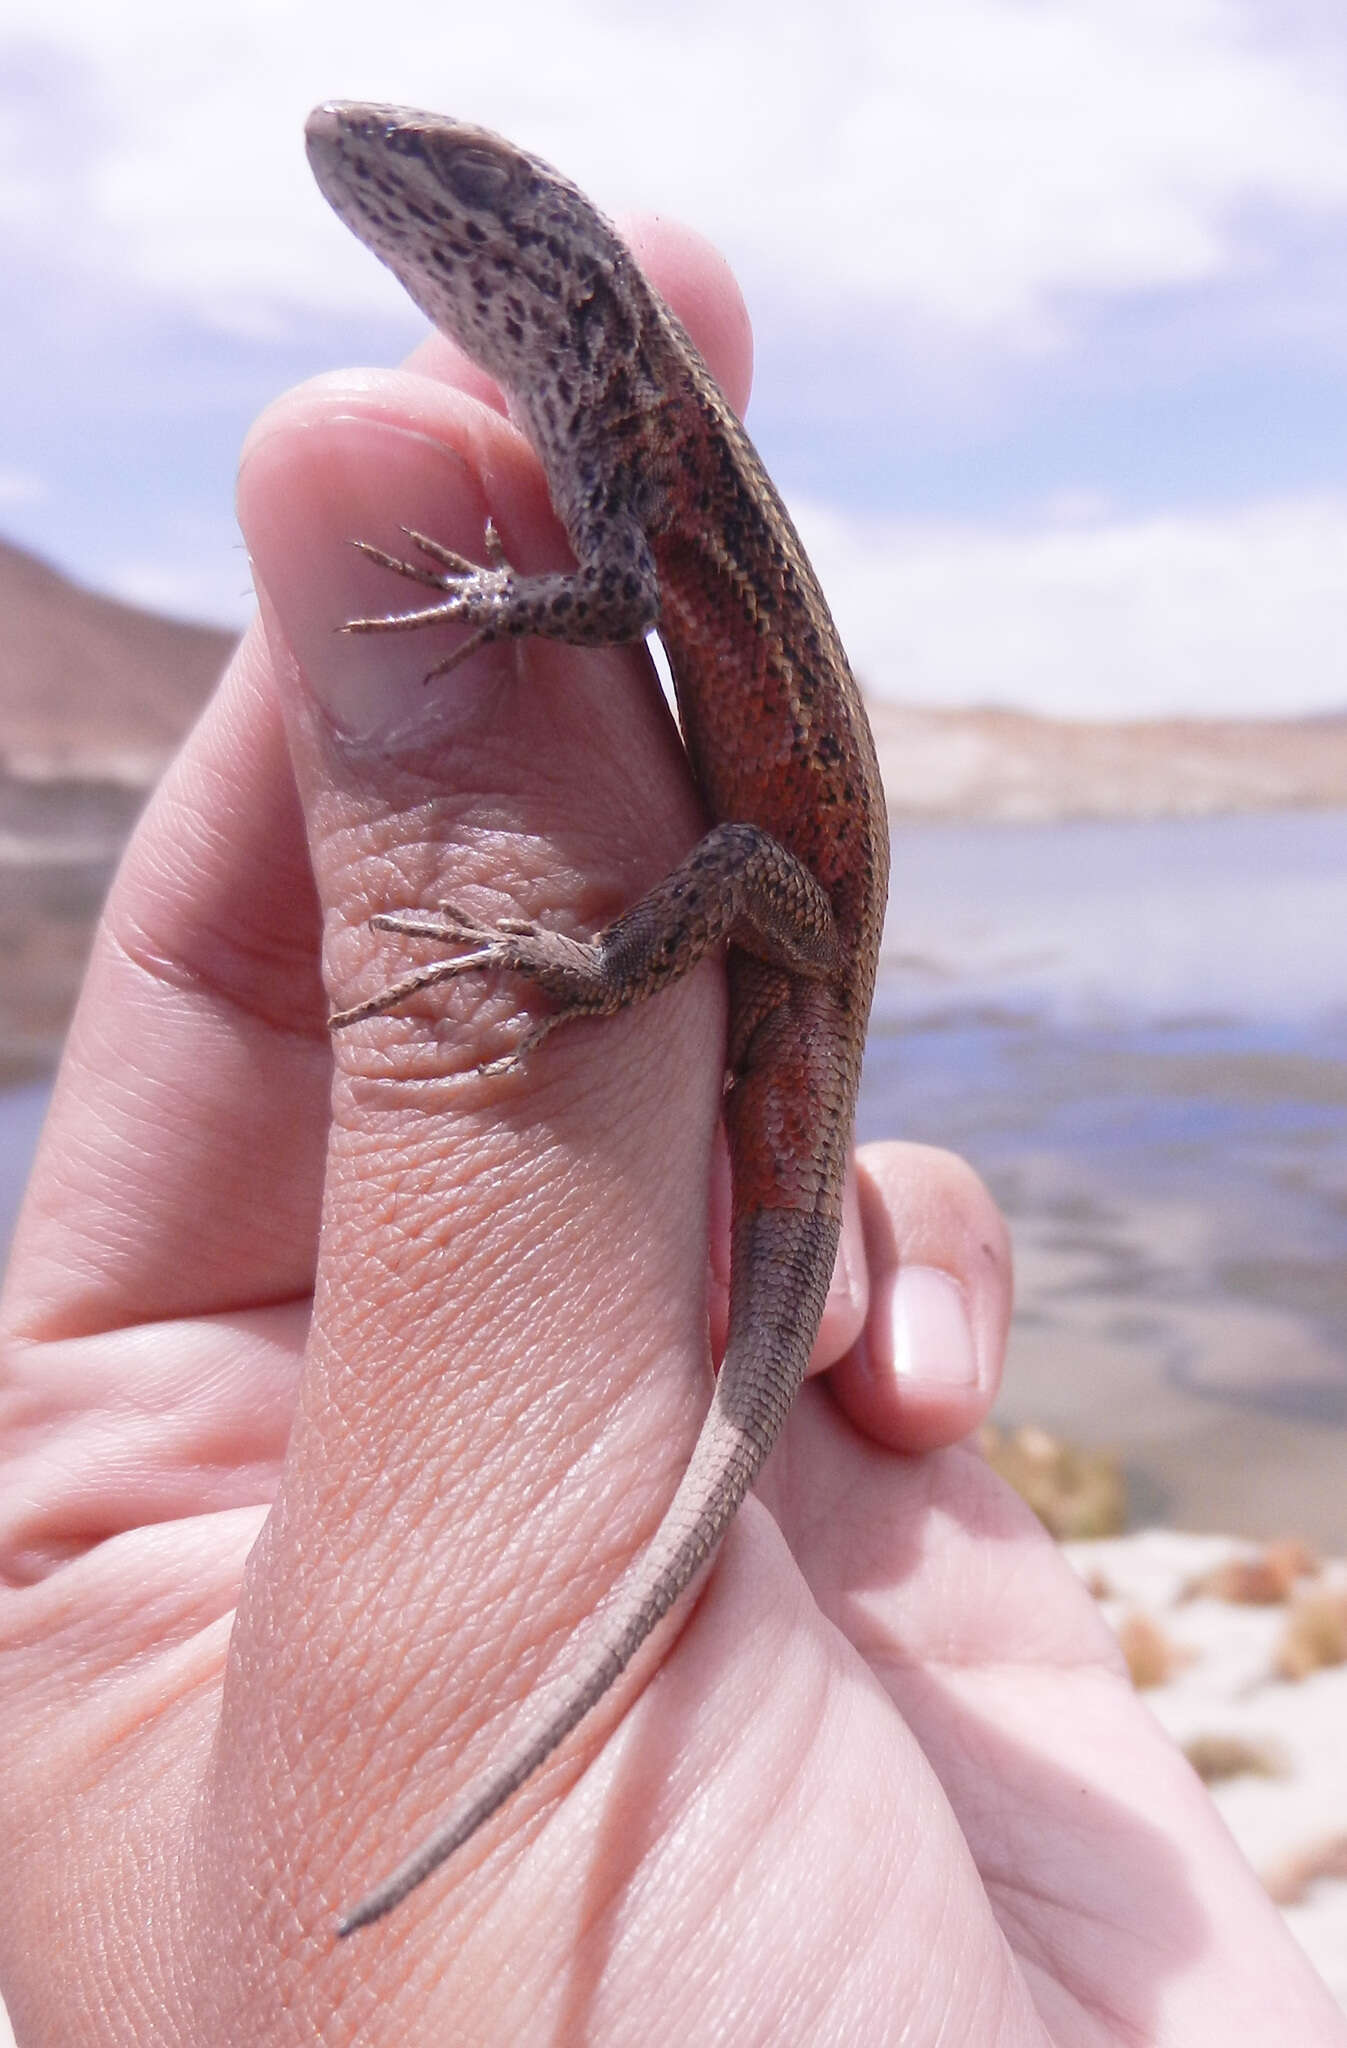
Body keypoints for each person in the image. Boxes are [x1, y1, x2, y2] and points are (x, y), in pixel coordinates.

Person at [1, 217, 1341, 2046]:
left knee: (719, 884)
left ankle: (600, 973)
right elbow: (622, 592)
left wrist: (497, 662)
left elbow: (617, 605)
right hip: (799, 903)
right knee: (773, 1154)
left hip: (790, 889)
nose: (405, 215)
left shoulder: (644, 446)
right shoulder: (632, 440)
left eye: (452, 200)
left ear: (559, 290)